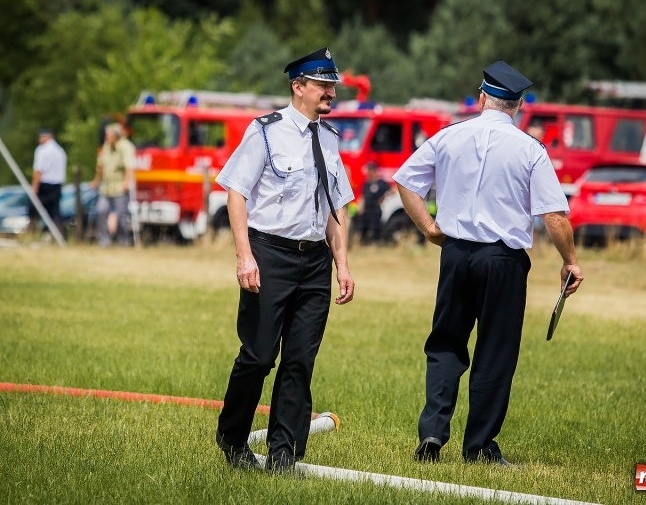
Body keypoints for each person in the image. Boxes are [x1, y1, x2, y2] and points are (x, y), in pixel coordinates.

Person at [393, 60, 584, 466]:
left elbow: (405, 181)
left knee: (445, 343)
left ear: (482, 98)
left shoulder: (449, 135)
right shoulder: (530, 149)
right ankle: (478, 446)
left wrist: (429, 228)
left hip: (456, 253)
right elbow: (553, 215)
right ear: (516, 106)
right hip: (503, 260)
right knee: (495, 351)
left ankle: (432, 433)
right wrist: (570, 260)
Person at [214, 46, 355, 472]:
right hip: (270, 254)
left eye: (333, 86)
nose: (331, 93)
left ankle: (283, 453)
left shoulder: (329, 139)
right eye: (323, 85)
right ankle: (233, 437)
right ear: (299, 87)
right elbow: (235, 192)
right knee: (258, 356)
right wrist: (244, 256)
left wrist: (342, 263)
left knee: (299, 360)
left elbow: (336, 207)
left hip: (314, 263)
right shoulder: (265, 131)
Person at [90, 123, 135, 247]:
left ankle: (123, 242)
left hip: (119, 186)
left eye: (108, 135)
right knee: (100, 211)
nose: (106, 137)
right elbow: (101, 166)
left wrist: (126, 183)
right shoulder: (106, 146)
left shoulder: (125, 146)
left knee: (121, 216)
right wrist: (96, 181)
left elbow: (129, 167)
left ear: (116, 136)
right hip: (106, 187)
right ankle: (105, 241)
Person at [29, 128, 67, 234]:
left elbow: (38, 170)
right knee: (55, 212)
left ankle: (32, 233)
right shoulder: (60, 151)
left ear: (45, 137)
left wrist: (34, 187)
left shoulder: (41, 150)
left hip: (44, 185)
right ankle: (59, 235)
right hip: (57, 185)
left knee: (34, 210)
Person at [359, 162, 391, 245]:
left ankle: (377, 243)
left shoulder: (381, 183)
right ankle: (364, 243)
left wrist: (384, 197)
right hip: (367, 210)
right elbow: (363, 195)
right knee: (364, 228)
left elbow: (392, 190)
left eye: (370, 170)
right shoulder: (366, 183)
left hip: (376, 209)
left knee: (376, 227)